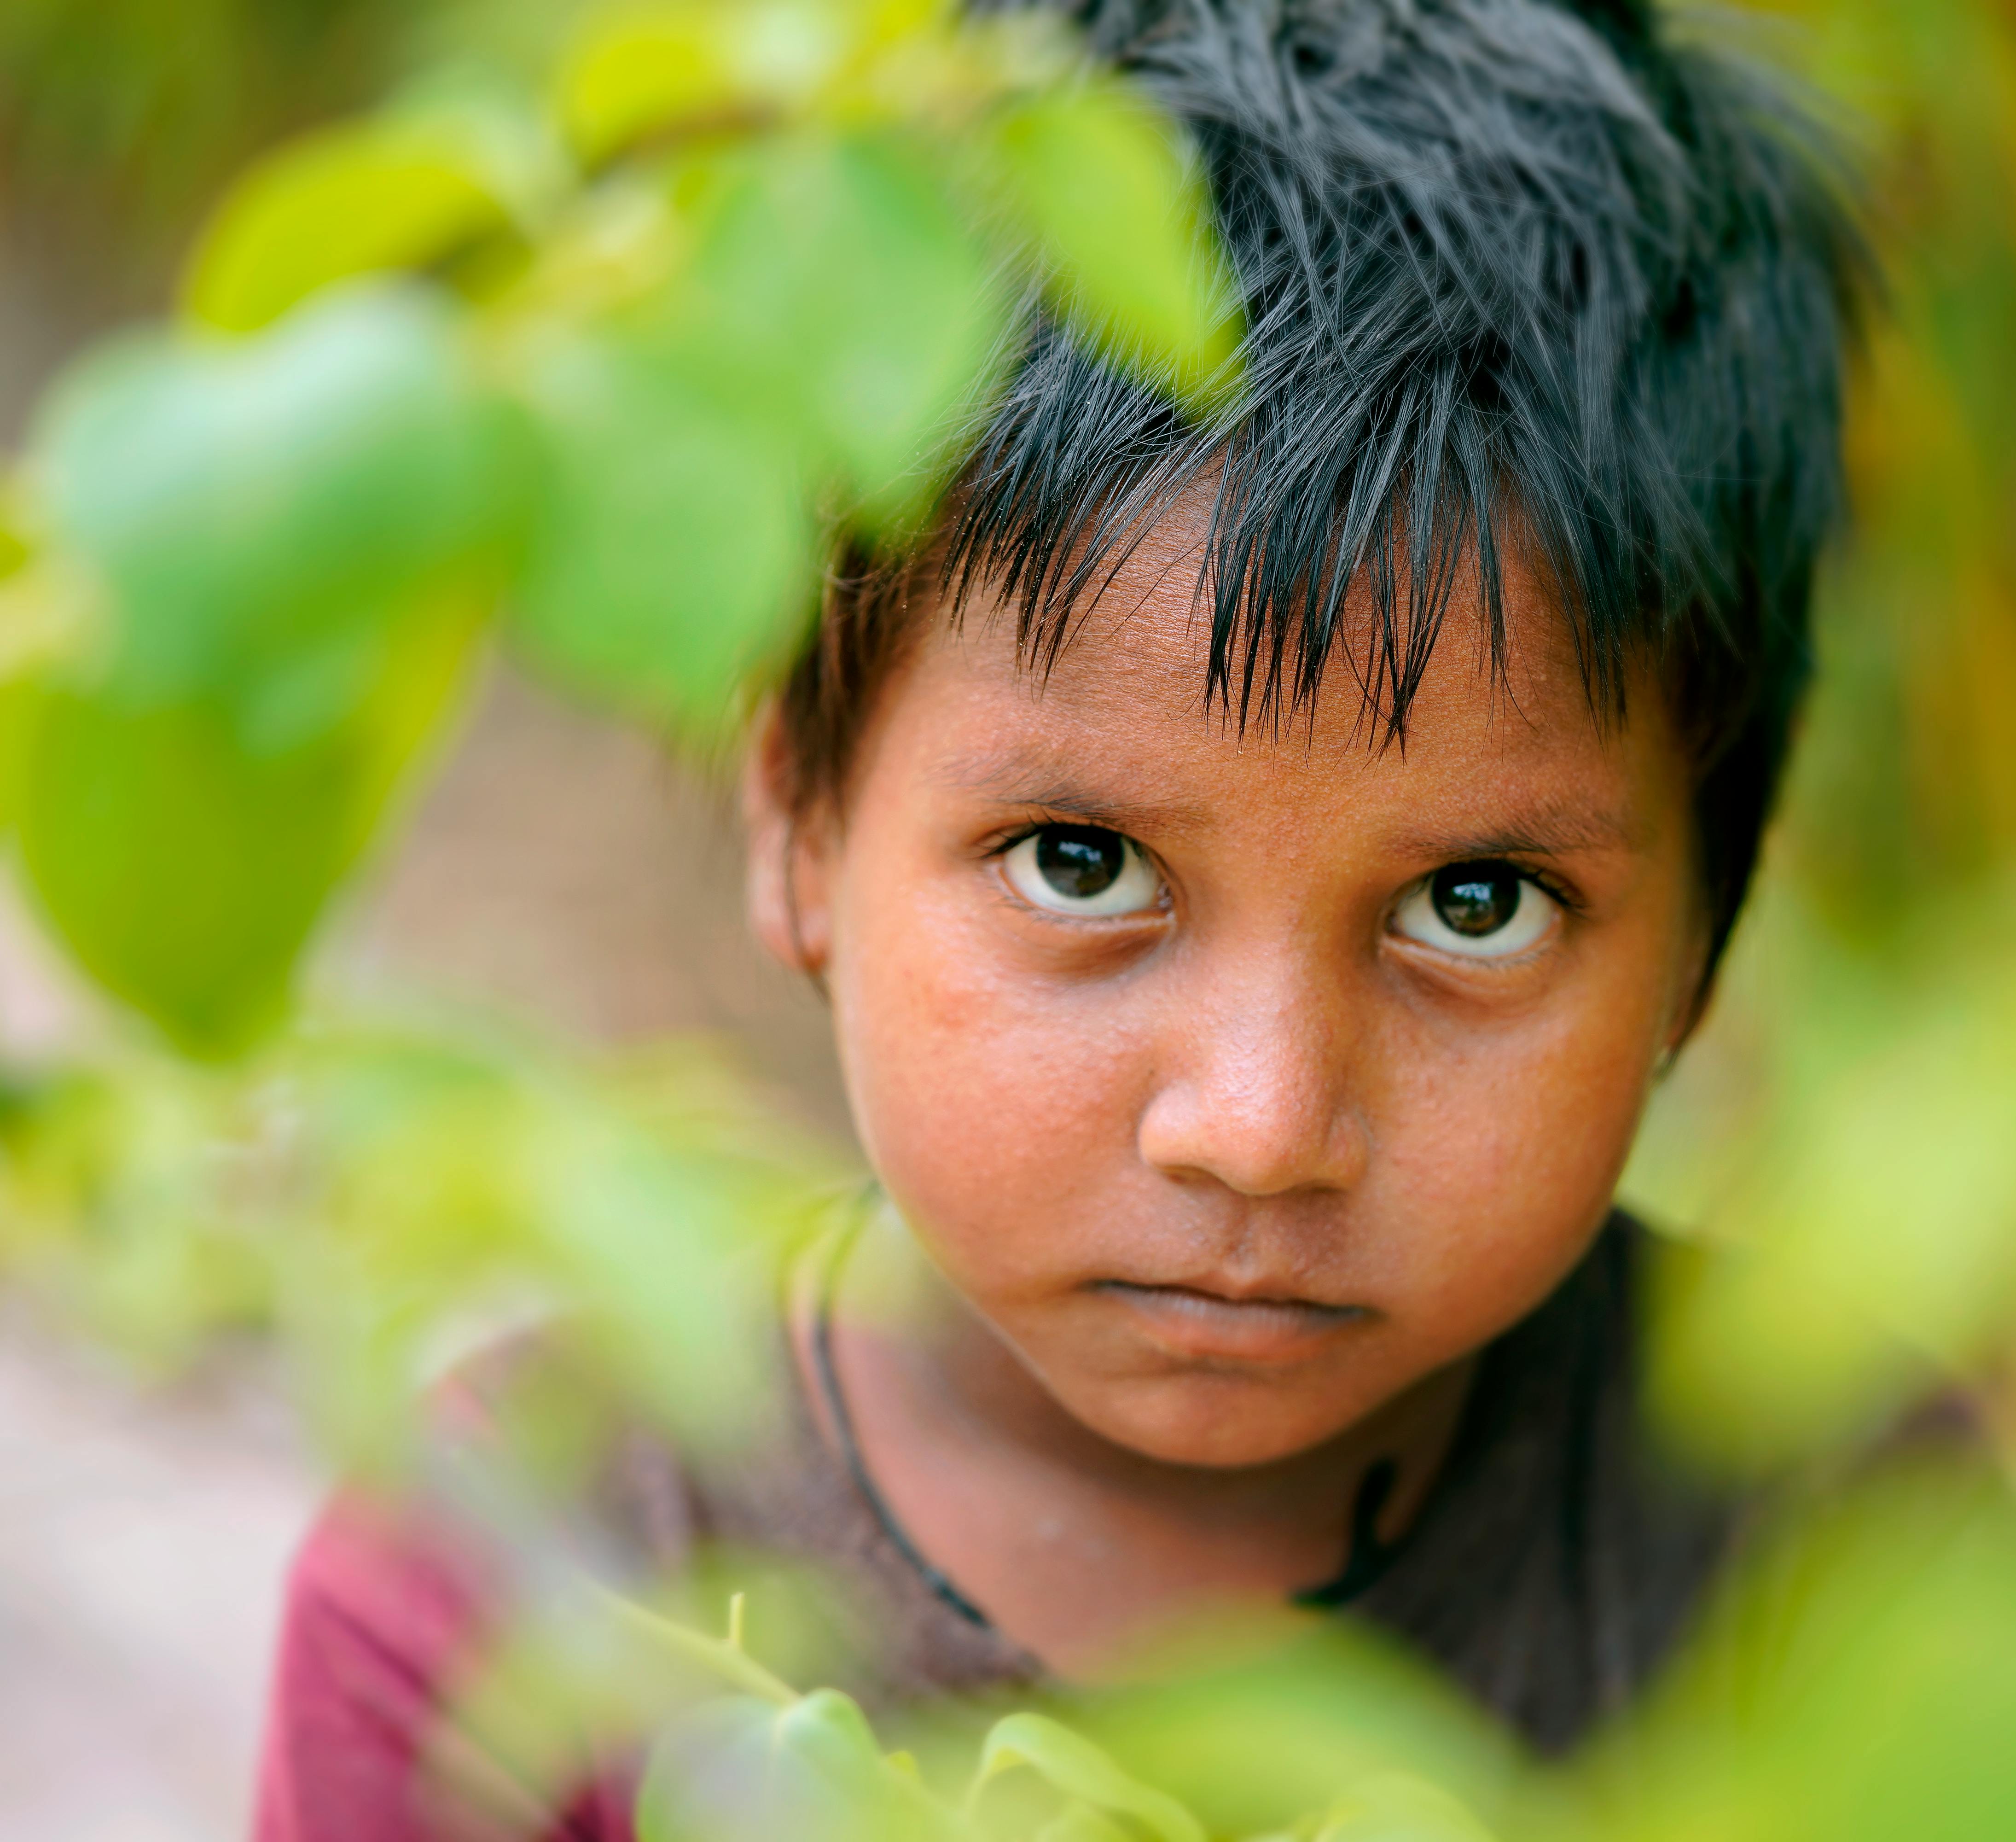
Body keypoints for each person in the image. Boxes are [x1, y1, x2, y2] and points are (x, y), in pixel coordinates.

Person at [251, 0, 1862, 1832]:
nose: (1259, 1130)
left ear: (1706, 935)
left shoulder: (1837, 1552)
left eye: (1473, 905)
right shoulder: (507, 1588)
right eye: (1081, 866)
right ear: (801, 810)